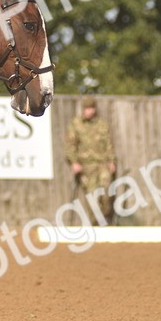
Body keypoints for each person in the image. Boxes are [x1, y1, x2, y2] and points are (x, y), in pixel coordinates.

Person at [65, 95, 118, 225]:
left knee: (106, 194)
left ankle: (106, 220)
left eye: (91, 108)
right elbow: (70, 146)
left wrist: (112, 161)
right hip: (86, 167)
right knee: (92, 197)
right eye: (87, 108)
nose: (89, 111)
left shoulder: (102, 125)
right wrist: (74, 162)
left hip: (102, 165)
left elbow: (109, 144)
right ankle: (95, 225)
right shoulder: (76, 124)